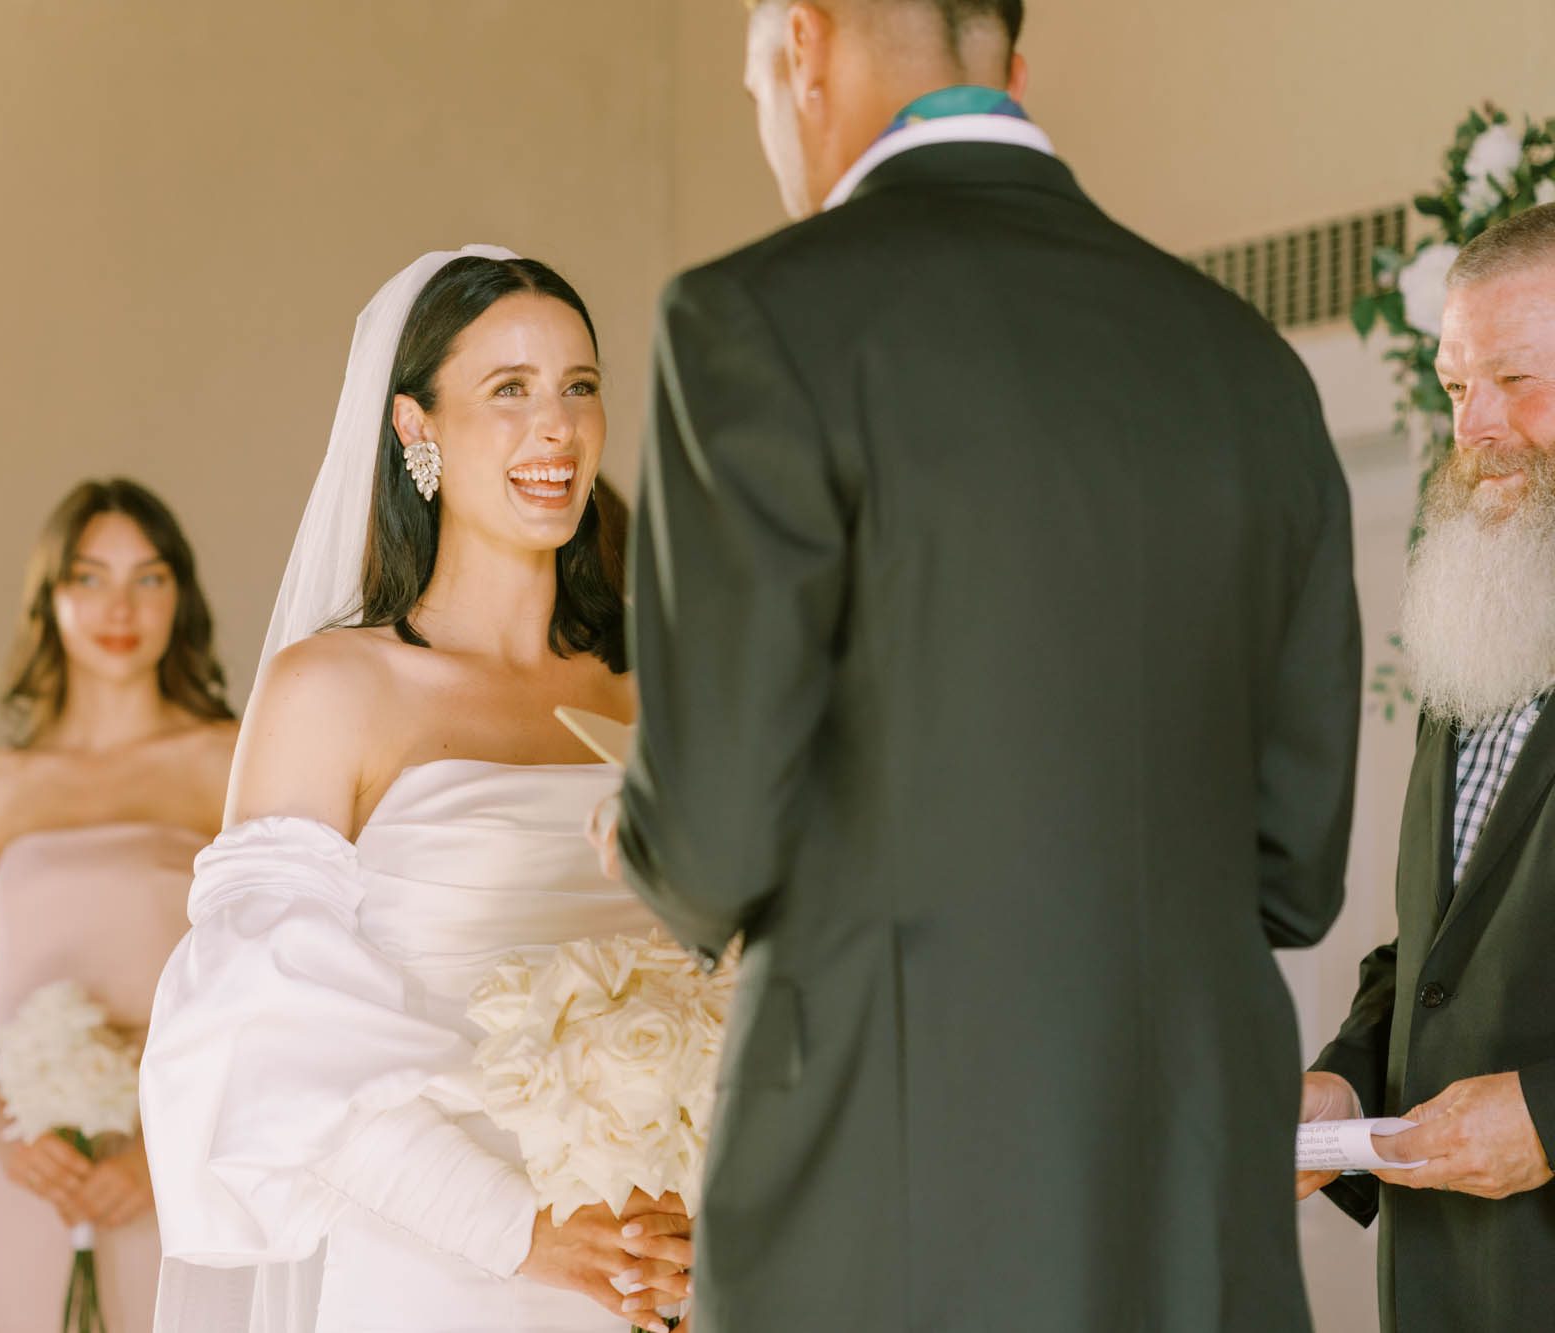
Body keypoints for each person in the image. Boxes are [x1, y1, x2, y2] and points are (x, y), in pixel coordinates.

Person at [605, 1, 1361, 1328]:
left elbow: (711, 840)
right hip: (1186, 1215)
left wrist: (639, 832)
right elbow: (1297, 862)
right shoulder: (1249, 363)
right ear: (1007, 61)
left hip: (887, 1206)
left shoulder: (754, 321)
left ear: (807, 46)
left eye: (755, 88)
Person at [142, 248, 687, 1333]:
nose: (557, 429)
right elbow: (262, 1030)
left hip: (657, 1258)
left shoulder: (664, 687)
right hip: (443, 1271)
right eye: (509, 391)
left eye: (580, 387)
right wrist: (513, 1230)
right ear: (412, 428)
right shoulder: (333, 691)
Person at [1302, 203, 1555, 1331]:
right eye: (1457, 387)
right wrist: (1346, 1079)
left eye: (1516, 379)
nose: (1478, 426)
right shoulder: (1489, 619)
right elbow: (1432, 955)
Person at [0, 479, 239, 1333]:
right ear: (48, 597)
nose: (119, 605)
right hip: (28, 1176)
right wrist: (13, 1140)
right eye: (89, 577)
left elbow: (273, 991)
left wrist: (161, 1154)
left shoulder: (232, 761)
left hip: (183, 1157)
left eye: (149, 577)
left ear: (182, 595)